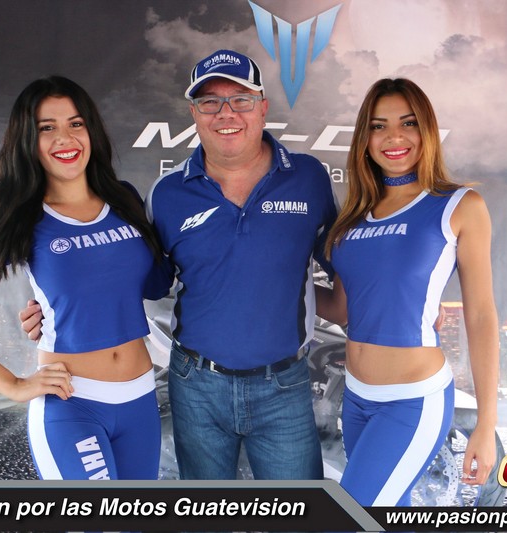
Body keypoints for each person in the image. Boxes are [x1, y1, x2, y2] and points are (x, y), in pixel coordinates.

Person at [21, 50, 338, 480]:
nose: (226, 113)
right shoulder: (166, 193)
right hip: (196, 385)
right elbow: (138, 277)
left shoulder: (309, 177)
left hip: (283, 385)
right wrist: (57, 305)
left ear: (262, 106)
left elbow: (348, 268)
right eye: (210, 102)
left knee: (299, 510)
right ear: (194, 113)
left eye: (240, 99)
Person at [0, 75, 165, 480]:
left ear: (91, 130)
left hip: (140, 398)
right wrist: (12, 385)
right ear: (27, 141)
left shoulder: (124, 199)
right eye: (46, 128)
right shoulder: (20, 216)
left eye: (75, 123)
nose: (65, 138)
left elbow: (143, 286)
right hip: (73, 404)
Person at [315, 78, 499, 506]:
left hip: (413, 400)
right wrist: (279, 282)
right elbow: (342, 309)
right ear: (365, 139)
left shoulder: (459, 206)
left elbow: (481, 316)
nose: (394, 137)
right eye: (378, 126)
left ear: (427, 130)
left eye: (408, 123)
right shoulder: (353, 217)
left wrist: (486, 423)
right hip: (357, 398)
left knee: (351, 516)